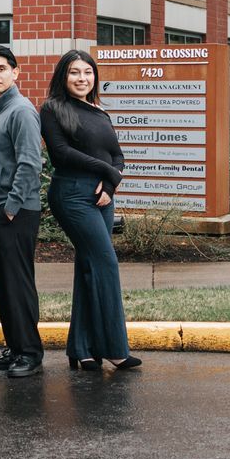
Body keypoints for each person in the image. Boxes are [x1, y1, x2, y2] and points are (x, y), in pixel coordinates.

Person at [41, 50, 139, 371]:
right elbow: (61, 154)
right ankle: (114, 348)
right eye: (74, 73)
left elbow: (117, 156)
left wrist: (110, 185)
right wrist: (106, 171)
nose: (82, 78)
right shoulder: (53, 109)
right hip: (71, 195)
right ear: (63, 77)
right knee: (106, 262)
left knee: (88, 267)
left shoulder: (100, 112)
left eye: (87, 72)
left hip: (101, 197)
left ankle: (81, 348)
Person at [0, 47, 46, 378]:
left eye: (1, 68)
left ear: (15, 73)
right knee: (3, 283)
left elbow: (31, 162)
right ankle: (16, 346)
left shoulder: (20, 110)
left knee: (17, 283)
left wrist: (11, 207)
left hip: (14, 211)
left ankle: (30, 352)